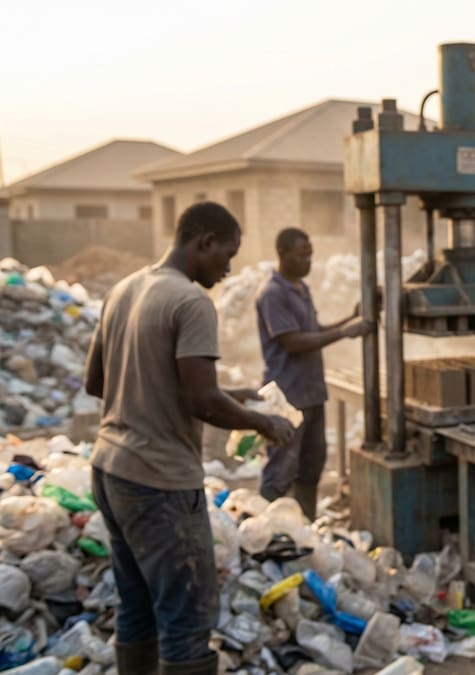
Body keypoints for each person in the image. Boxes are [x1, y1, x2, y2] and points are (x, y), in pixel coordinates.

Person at [85, 201, 295, 675]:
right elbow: (201, 401)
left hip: (110, 471)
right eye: (227, 253)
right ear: (203, 242)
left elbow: (97, 383)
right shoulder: (191, 301)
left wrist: (233, 395)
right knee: (186, 617)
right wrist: (264, 423)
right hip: (158, 482)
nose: (229, 267)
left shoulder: (125, 289)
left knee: (137, 606)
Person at [255, 227, 373, 518]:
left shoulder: (300, 289)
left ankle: (304, 528)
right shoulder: (272, 293)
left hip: (311, 393)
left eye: (310, 255)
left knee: (311, 466)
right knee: (281, 469)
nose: (308, 261)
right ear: (282, 254)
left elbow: (314, 332)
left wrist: (351, 320)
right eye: (301, 256)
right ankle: (267, 530)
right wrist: (345, 332)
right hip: (287, 396)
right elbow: (293, 342)